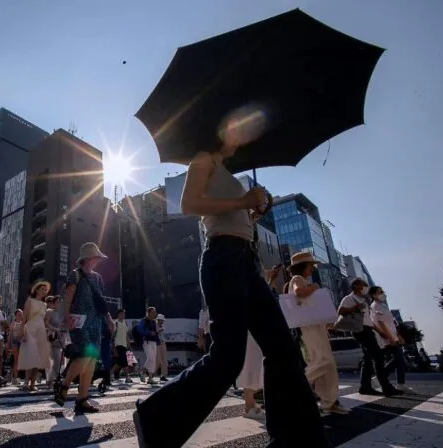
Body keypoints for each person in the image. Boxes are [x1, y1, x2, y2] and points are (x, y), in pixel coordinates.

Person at [132, 138, 328, 447]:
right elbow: (188, 204)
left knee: (282, 348)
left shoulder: (228, 173)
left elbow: (235, 218)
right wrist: (243, 202)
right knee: (228, 356)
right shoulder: (203, 158)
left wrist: (254, 213)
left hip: (246, 260)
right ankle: (155, 418)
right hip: (223, 258)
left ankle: (297, 436)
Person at [286, 251, 349, 415]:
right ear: (303, 266)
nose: (312, 269)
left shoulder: (304, 280)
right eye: (311, 266)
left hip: (315, 325)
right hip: (309, 327)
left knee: (326, 365)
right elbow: (299, 292)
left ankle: (328, 402)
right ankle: (298, 386)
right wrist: (314, 288)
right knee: (323, 361)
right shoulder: (298, 279)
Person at [55, 242, 114, 413]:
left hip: (95, 323)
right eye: (96, 257)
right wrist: (66, 318)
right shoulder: (75, 275)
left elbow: (100, 302)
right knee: (83, 357)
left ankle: (82, 398)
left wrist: (108, 319)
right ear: (88, 258)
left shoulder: (97, 278)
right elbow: (68, 298)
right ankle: (64, 385)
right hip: (78, 322)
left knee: (91, 361)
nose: (98, 260)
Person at [340, 278, 401, 397]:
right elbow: (341, 311)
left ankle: (365, 386)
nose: (365, 287)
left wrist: (379, 331)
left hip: (368, 330)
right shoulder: (349, 298)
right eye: (363, 285)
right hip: (360, 330)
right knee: (378, 356)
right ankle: (386, 387)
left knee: (368, 359)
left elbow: (369, 320)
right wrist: (354, 308)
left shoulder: (363, 300)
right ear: (356, 286)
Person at [369, 286, 407, 390]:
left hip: (393, 336)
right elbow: (380, 323)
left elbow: (392, 323)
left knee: (399, 360)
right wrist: (390, 338)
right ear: (373, 295)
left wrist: (398, 336)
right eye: (380, 292)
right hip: (387, 337)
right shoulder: (375, 306)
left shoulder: (383, 305)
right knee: (400, 360)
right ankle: (399, 384)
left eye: (382, 292)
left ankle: (381, 378)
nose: (383, 294)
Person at [19, 281, 52, 391]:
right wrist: (21, 331)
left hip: (41, 331)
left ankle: (33, 384)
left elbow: (45, 321)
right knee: (31, 356)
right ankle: (25, 383)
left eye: (45, 290)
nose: (44, 291)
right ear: (36, 290)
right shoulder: (29, 301)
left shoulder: (45, 305)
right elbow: (24, 318)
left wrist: (53, 328)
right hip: (30, 330)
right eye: (42, 289)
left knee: (38, 358)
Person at [139, 307, 160, 385]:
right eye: (153, 312)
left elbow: (155, 332)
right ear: (149, 312)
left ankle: (150, 378)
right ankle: (143, 371)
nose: (155, 313)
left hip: (154, 342)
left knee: (153, 359)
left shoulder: (154, 322)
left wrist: (157, 333)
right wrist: (149, 333)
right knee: (151, 358)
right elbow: (140, 330)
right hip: (146, 342)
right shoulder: (143, 321)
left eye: (155, 312)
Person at [111, 309, 132, 383]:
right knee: (124, 362)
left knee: (120, 362)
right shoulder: (115, 323)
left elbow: (126, 335)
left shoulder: (125, 323)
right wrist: (113, 347)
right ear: (119, 314)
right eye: (122, 314)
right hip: (118, 345)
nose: (123, 315)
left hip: (124, 345)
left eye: (124, 314)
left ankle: (110, 374)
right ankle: (127, 377)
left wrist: (128, 344)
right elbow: (113, 335)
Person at [8, 309, 24, 385]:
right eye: (19, 315)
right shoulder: (13, 324)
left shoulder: (24, 323)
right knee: (16, 359)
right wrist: (8, 344)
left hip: (22, 342)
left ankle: (16, 376)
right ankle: (14, 378)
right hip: (14, 342)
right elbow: (10, 335)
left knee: (20, 360)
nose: (20, 316)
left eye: (21, 315)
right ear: (16, 315)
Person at [155, 314, 168, 382]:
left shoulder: (162, 326)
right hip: (157, 344)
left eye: (163, 320)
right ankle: (151, 372)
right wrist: (159, 330)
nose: (162, 321)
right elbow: (155, 333)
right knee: (158, 360)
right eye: (161, 320)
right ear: (158, 320)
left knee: (164, 360)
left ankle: (163, 375)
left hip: (163, 343)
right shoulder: (155, 326)